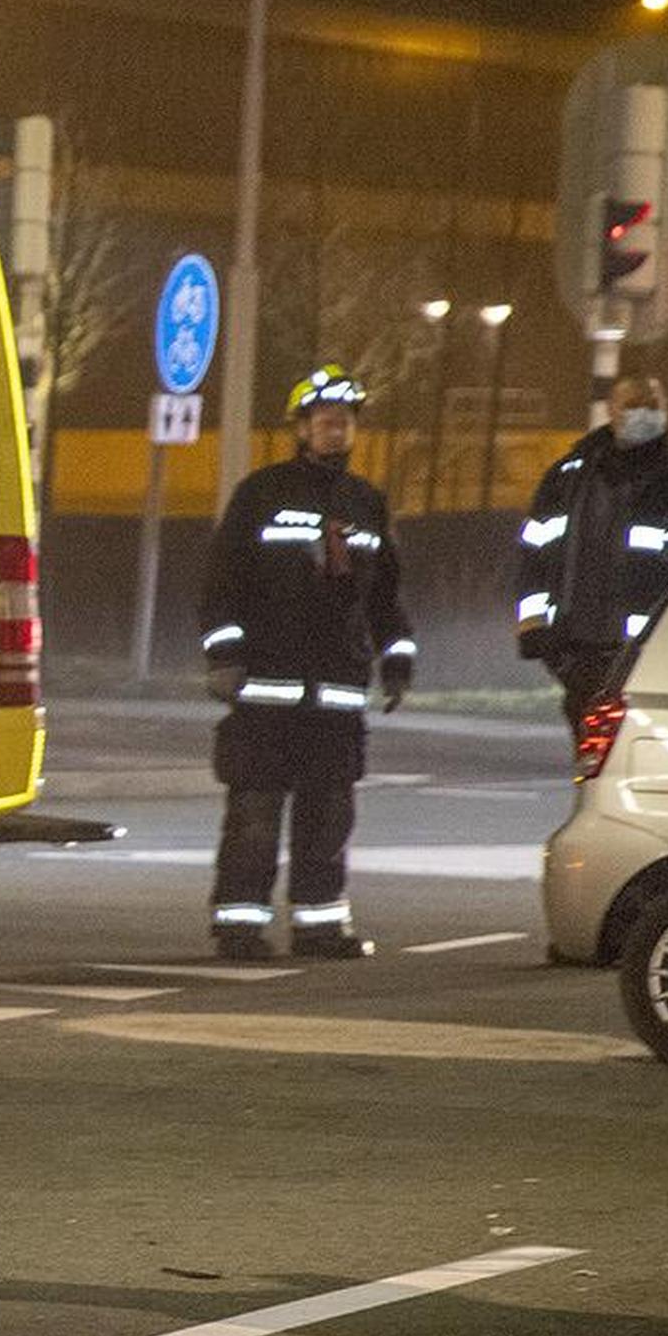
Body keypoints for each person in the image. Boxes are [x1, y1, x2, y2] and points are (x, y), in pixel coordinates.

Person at [198, 365, 412, 959]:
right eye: (323, 422)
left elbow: (386, 596)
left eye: (343, 423)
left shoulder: (366, 503)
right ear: (302, 429)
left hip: (337, 697)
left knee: (328, 819)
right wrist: (224, 655)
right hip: (265, 692)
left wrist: (397, 661)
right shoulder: (261, 494)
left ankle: (320, 925)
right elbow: (220, 584)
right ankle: (240, 926)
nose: (334, 432)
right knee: (254, 816)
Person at [513, 374, 668, 723]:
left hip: (663, 655)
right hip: (578, 655)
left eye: (652, 405)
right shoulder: (569, 478)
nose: (643, 413)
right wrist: (534, 628)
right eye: (633, 405)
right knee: (594, 763)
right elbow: (534, 554)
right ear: (612, 410)